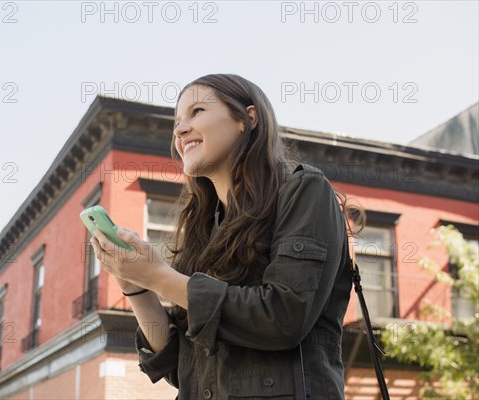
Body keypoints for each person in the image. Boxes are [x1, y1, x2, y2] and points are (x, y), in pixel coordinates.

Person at [90, 73, 365, 399]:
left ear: (247, 119)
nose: (179, 130)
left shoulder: (304, 191)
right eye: (177, 121)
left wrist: (159, 276)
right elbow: (182, 368)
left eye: (197, 112)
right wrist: (135, 285)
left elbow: (284, 318)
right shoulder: (204, 227)